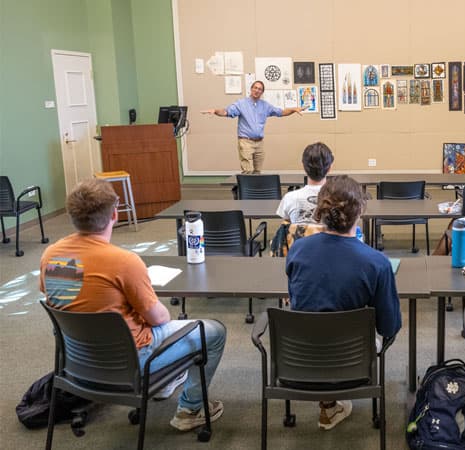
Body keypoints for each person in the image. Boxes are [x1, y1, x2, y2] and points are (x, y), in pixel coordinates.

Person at [40, 179, 227, 431]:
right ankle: (190, 409)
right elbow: (158, 319)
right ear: (115, 214)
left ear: (72, 215)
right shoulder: (124, 262)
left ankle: (166, 382)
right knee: (212, 331)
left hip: (77, 363)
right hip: (130, 363)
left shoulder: (51, 255)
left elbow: (68, 302)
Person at [286, 175, 402, 430]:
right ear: (359, 212)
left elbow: (299, 301)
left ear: (321, 210)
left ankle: (328, 405)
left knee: (321, 325)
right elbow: (389, 327)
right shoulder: (377, 263)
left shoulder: (297, 250)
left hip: (297, 357)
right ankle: (331, 403)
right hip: (353, 361)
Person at [202, 80, 305, 174]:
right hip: (246, 142)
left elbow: (281, 112)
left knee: (257, 171)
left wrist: (294, 110)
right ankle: (245, 194)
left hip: (259, 143)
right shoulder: (241, 104)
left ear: (262, 92)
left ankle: (255, 194)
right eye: (255, 88)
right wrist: (215, 111)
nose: (257, 90)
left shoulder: (265, 106)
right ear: (251, 89)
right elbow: (226, 111)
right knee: (248, 171)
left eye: (260, 89)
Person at [276, 142, 335, 224]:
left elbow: (287, 228)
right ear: (329, 168)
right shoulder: (340, 199)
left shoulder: (290, 198)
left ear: (304, 166)